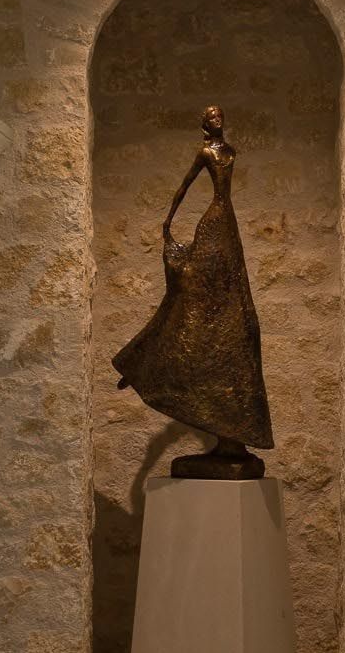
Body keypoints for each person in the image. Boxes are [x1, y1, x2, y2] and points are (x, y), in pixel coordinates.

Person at [112, 102, 274, 474]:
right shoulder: (205, 153)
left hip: (225, 223)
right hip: (213, 221)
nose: (218, 122)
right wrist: (168, 220)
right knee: (187, 296)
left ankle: (232, 436)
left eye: (221, 117)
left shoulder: (230, 151)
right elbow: (184, 186)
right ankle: (142, 364)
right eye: (212, 118)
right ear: (205, 124)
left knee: (243, 322)